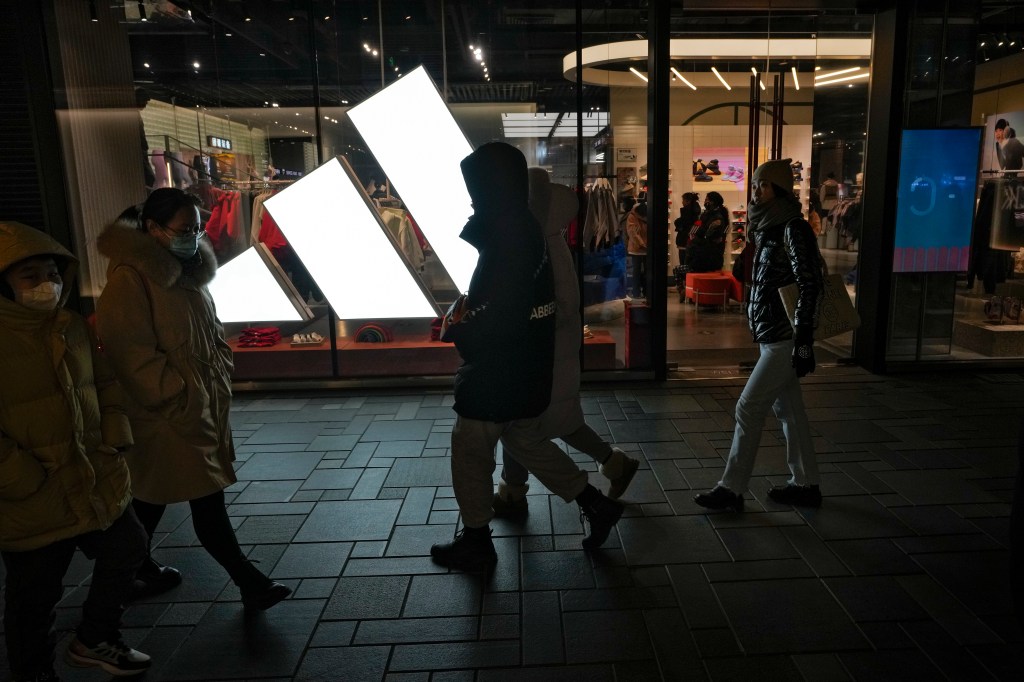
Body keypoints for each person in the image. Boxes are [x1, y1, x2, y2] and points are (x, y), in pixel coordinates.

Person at [430, 143, 623, 573]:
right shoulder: (528, 231)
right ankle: (594, 503)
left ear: (493, 192)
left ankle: (478, 541)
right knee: (523, 440)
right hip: (525, 370)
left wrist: (461, 328)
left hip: (497, 374)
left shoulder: (505, 240)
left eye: (477, 193)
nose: (472, 202)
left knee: (470, 449)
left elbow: (498, 318)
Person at [95, 188, 291, 611]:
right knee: (206, 496)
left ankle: (130, 569)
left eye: (199, 228)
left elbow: (209, 329)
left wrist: (218, 370)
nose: (195, 236)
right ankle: (248, 581)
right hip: (168, 413)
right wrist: (175, 394)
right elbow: (130, 353)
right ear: (153, 229)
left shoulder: (188, 271)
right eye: (185, 229)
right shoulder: (132, 278)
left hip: (198, 404)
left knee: (150, 495)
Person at [0, 221, 151, 680]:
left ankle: (95, 638)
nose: (48, 284)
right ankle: (34, 674)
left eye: (53, 273)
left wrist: (116, 432)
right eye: (31, 276)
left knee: (128, 547)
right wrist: (18, 477)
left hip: (92, 473)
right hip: (33, 494)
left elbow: (102, 381)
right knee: (34, 597)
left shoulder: (69, 325)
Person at [493, 169, 640, 516]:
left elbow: (542, 307)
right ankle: (612, 465)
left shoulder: (537, 246)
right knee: (552, 422)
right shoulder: (550, 240)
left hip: (544, 356)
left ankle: (517, 493)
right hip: (554, 353)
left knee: (522, 425)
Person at [694, 159, 824, 512]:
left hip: (785, 338)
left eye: (763, 185)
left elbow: (809, 284)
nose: (756, 191)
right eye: (755, 185)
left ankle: (731, 489)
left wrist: (804, 340)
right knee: (790, 413)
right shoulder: (770, 227)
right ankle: (806, 484)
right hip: (774, 335)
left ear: (780, 189)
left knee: (748, 408)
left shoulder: (793, 228)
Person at [685, 191, 728, 273]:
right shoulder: (706, 214)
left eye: (707, 199)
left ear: (712, 202)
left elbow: (708, 236)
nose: (705, 202)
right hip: (701, 254)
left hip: (708, 256)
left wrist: (696, 236)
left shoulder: (717, 218)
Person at [626, 199, 648, 299]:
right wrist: (642, 244)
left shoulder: (636, 216)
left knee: (643, 272)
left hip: (643, 248)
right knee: (637, 271)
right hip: (637, 248)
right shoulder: (633, 216)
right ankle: (637, 292)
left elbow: (633, 233)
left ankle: (644, 292)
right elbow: (633, 233)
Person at [674, 192, 701, 266]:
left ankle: (684, 277)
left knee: (683, 264)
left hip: (684, 240)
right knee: (689, 264)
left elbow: (682, 223)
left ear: (687, 201)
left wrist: (677, 222)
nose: (682, 202)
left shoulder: (687, 212)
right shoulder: (695, 212)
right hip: (691, 240)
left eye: (683, 200)